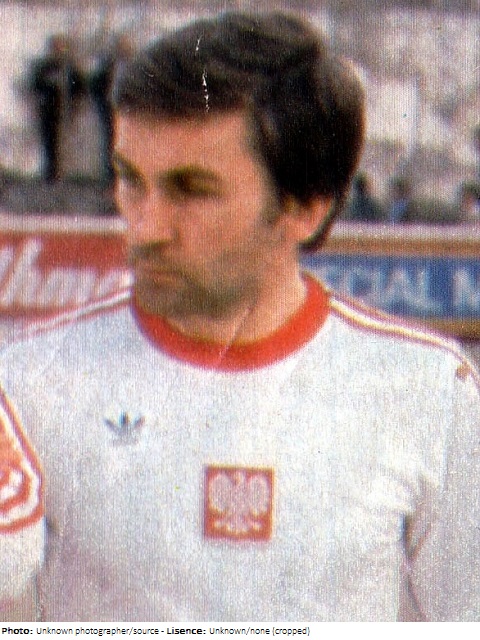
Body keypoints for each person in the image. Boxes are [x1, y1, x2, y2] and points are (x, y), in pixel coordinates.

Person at [1, 12, 480, 622]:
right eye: (130, 180)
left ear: (305, 208)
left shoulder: (429, 393)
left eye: (192, 189)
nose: (144, 227)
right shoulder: (30, 380)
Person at [29, 35, 84, 181]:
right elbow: (35, 85)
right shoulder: (45, 67)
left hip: (63, 110)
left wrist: (74, 104)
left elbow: (79, 86)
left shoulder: (68, 68)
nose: (58, 51)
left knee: (60, 141)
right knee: (48, 140)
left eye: (60, 48)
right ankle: (50, 171)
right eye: (56, 47)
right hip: (48, 108)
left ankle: (60, 171)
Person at [90, 34, 133, 185]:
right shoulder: (108, 65)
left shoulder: (131, 65)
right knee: (109, 139)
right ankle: (110, 174)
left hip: (125, 107)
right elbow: (96, 84)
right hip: (109, 106)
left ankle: (123, 174)